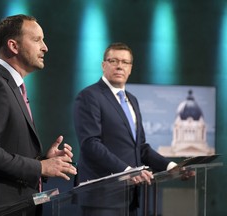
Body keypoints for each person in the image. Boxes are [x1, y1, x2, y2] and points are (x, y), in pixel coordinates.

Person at [0, 14, 77, 216]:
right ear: (13, 46)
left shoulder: (11, 86)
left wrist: (44, 160)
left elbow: (7, 148)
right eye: (37, 40)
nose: (45, 47)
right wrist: (39, 167)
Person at [73, 42, 177, 216]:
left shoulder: (132, 100)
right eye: (113, 61)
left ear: (130, 68)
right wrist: (128, 171)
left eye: (125, 62)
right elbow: (90, 144)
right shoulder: (89, 96)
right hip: (102, 196)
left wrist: (171, 166)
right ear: (103, 65)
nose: (119, 66)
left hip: (130, 195)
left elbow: (141, 148)